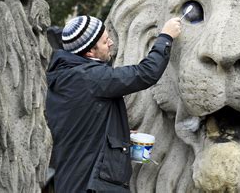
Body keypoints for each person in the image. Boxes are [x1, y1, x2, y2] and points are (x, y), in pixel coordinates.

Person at [45, 15, 181, 192]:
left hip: (74, 182)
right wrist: (166, 37)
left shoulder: (65, 78)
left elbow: (83, 126)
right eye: (104, 41)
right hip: (93, 186)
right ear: (89, 52)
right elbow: (145, 73)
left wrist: (118, 132)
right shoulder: (90, 77)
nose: (110, 43)